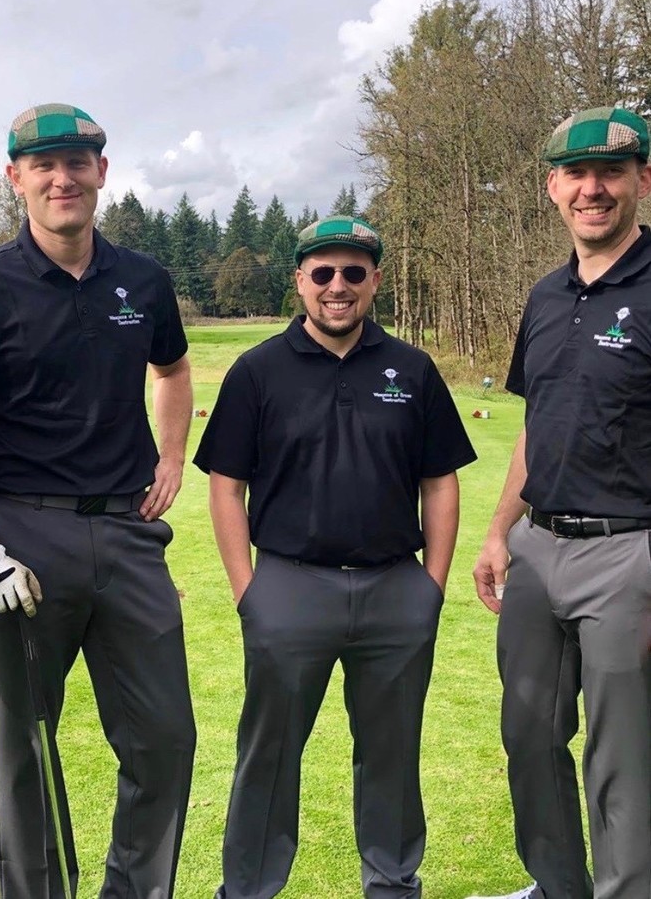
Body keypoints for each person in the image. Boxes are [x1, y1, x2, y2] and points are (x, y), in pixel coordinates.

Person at [0, 102, 197, 899]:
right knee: (28, 749)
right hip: (22, 533)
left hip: (129, 533)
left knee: (165, 740)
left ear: (101, 172)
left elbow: (173, 370)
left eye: (77, 163)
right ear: (15, 179)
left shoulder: (143, 279)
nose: (61, 179)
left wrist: (172, 456)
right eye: (42, 165)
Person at [194, 215, 476, 899]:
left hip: (395, 590)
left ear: (375, 280)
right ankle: (248, 889)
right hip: (289, 588)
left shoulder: (412, 369)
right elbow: (226, 487)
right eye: (323, 272)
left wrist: (431, 588)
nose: (338, 286)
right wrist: (248, 592)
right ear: (300, 281)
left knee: (392, 755)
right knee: (268, 756)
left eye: (354, 272)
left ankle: (393, 883)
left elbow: (440, 481)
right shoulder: (258, 371)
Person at [469, 107, 651, 899]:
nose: (593, 189)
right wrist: (498, 531)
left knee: (624, 755)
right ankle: (557, 887)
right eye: (576, 174)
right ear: (552, 187)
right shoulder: (545, 297)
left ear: (644, 180)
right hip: (539, 550)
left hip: (630, 551)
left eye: (611, 172)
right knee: (529, 735)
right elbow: (536, 426)